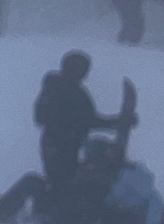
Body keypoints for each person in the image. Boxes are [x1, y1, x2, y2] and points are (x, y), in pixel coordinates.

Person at [0, 136, 126, 224]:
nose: (85, 161)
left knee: (34, 185)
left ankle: (11, 217)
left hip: (60, 219)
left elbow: (81, 206)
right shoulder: (88, 176)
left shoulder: (98, 183)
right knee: (33, 181)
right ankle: (3, 209)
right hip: (57, 210)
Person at [33, 51, 129, 195]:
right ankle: (52, 204)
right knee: (63, 183)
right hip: (63, 146)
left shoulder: (53, 87)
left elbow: (42, 118)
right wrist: (117, 122)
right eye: (83, 70)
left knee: (59, 182)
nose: (85, 74)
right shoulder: (72, 92)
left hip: (53, 143)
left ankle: (52, 202)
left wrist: (117, 121)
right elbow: (89, 120)